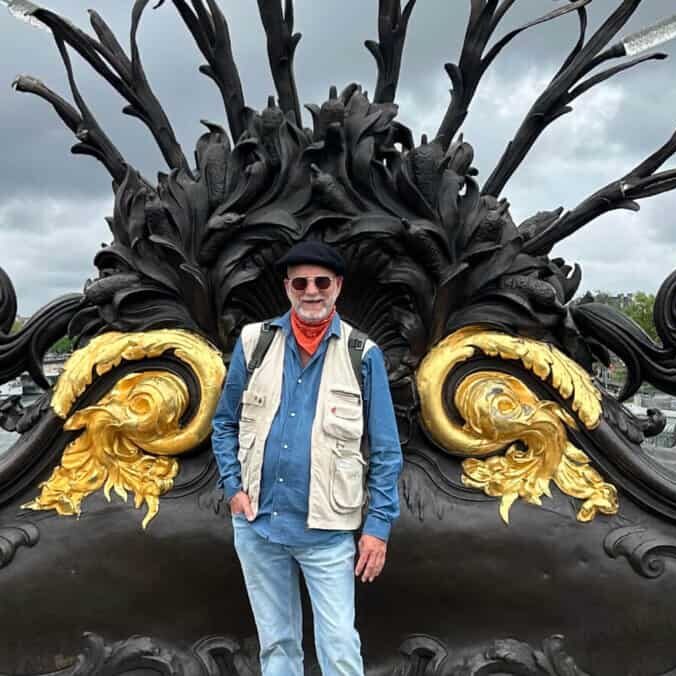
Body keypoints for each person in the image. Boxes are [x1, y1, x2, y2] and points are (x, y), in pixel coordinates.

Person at [212, 241, 403, 676]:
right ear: (288, 288)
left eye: (321, 282)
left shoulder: (362, 355)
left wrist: (377, 528)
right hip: (259, 526)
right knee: (276, 646)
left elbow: (387, 452)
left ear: (337, 287)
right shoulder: (254, 343)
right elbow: (224, 423)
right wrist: (233, 489)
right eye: (301, 282)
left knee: (338, 647)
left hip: (327, 533)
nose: (311, 291)